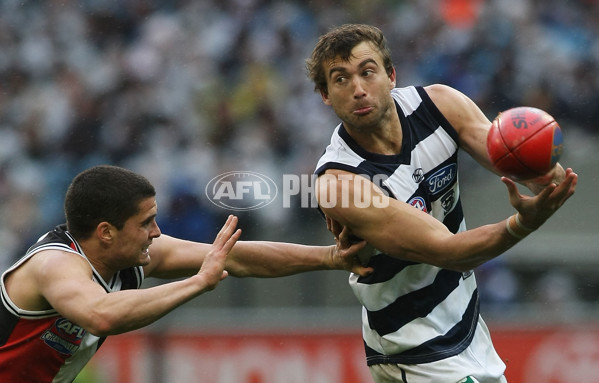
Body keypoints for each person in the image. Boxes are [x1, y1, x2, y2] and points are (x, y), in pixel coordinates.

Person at [305, 24, 578, 383]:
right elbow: (449, 250)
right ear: (325, 95)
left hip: (465, 324)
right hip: (413, 345)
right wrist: (522, 223)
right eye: (340, 79)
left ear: (390, 75)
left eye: (367, 72)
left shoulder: (439, 105)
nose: (358, 89)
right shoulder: (339, 183)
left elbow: (517, 161)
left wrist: (544, 169)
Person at [0, 165, 372, 383]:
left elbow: (234, 258)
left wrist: (329, 257)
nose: (157, 232)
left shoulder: (134, 256)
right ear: (106, 232)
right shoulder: (55, 265)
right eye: (146, 222)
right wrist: (197, 283)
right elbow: (101, 314)